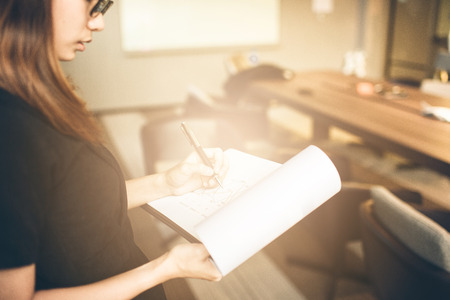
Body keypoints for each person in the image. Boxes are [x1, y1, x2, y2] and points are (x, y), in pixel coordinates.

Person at [0, 0, 227, 299]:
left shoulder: (37, 95)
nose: (98, 23)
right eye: (91, 5)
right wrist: (165, 267)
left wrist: (167, 182)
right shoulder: (11, 131)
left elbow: (71, 204)